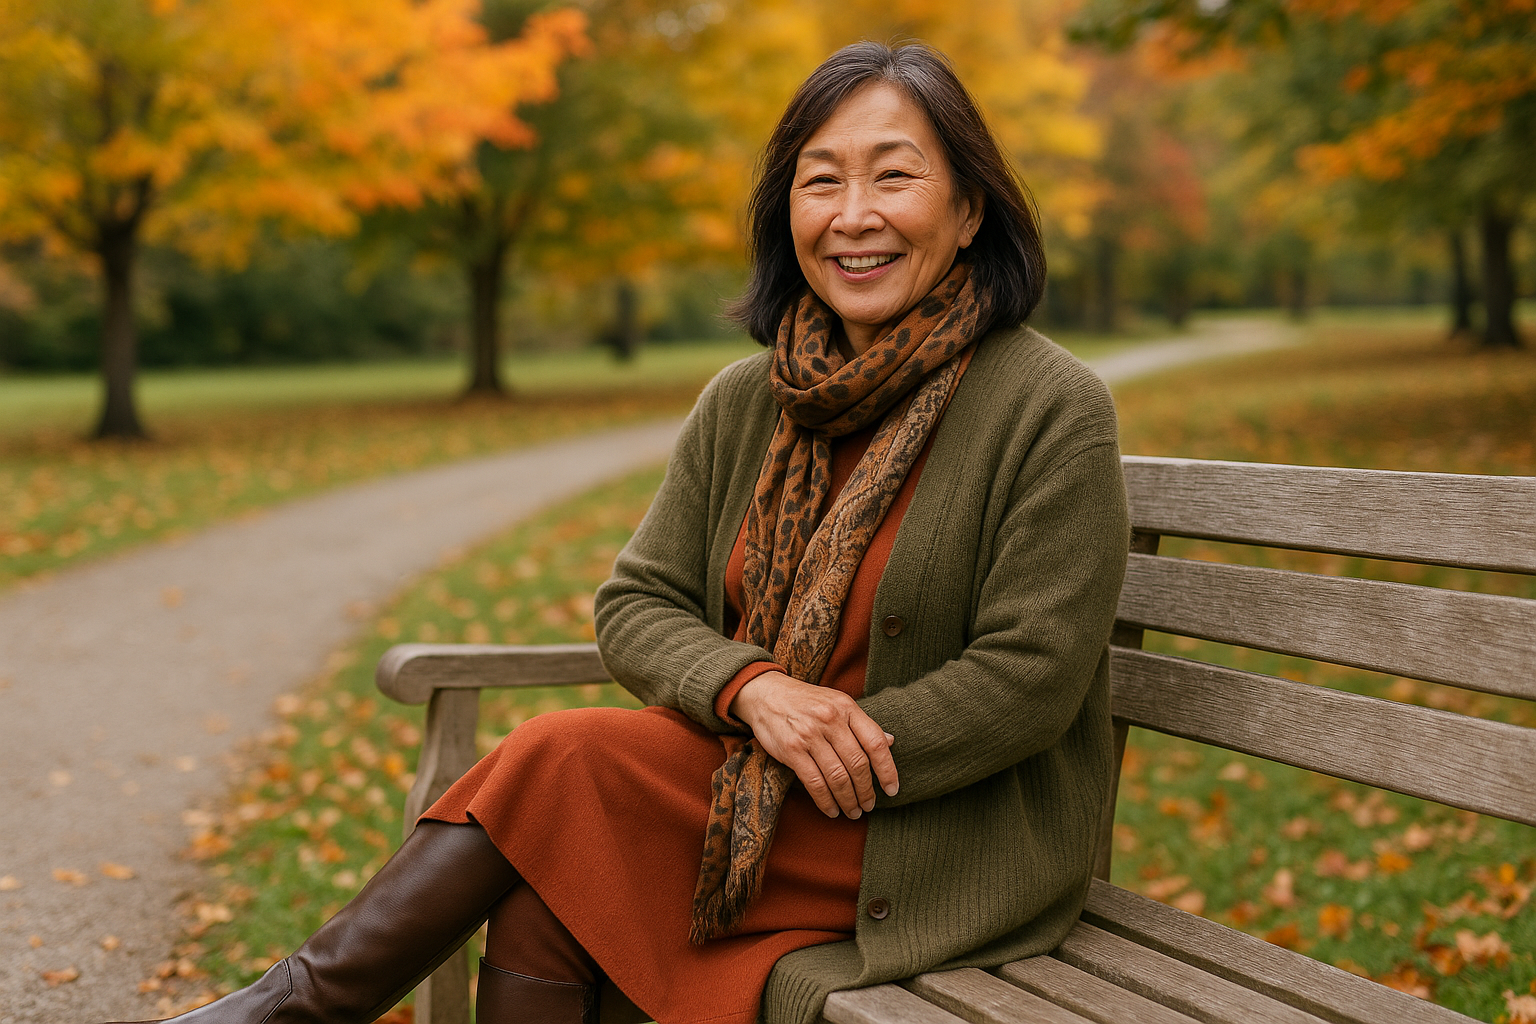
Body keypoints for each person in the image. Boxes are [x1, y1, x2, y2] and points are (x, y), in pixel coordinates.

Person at [105, 39, 1129, 1024]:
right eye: (820, 182)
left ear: (968, 212)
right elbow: (636, 604)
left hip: (934, 835)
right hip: (743, 802)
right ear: (788, 215)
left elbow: (1029, 677)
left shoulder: (1048, 406)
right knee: (545, 890)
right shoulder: (748, 401)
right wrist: (755, 690)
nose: (853, 216)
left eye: (893, 178)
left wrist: (823, 749)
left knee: (564, 758)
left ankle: (291, 1007)